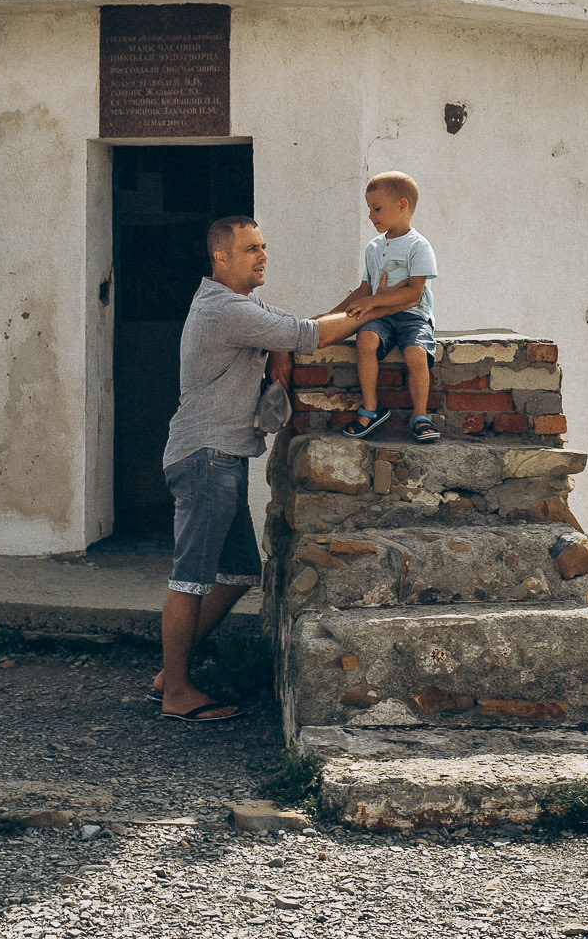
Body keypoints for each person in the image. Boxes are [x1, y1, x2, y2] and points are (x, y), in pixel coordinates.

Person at [156, 213, 399, 722]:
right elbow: (306, 334)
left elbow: (294, 331)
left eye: (264, 246)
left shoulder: (241, 305)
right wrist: (374, 306)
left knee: (240, 570)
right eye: (251, 249)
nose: (263, 255)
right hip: (206, 457)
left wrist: (280, 348)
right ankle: (176, 690)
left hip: (219, 456)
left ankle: (169, 671)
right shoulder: (224, 308)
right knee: (190, 578)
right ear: (221, 257)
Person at [336, 171, 440, 444]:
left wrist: (372, 302)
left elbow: (414, 293)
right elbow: (364, 289)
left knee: (416, 353)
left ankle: (420, 415)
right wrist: (332, 315)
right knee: (365, 338)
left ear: (402, 205)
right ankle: (371, 407)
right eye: (370, 208)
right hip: (381, 319)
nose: (371, 215)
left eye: (377, 208)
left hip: (412, 317)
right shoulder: (373, 248)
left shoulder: (419, 246)